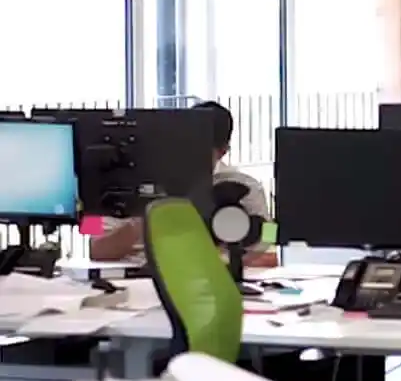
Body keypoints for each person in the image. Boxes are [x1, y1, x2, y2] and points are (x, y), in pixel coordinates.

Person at [89, 101, 275, 266]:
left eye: (200, 151)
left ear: (222, 152)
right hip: (132, 279)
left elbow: (270, 242)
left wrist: (229, 257)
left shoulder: (248, 187)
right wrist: (142, 222)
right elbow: (94, 249)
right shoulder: (114, 184)